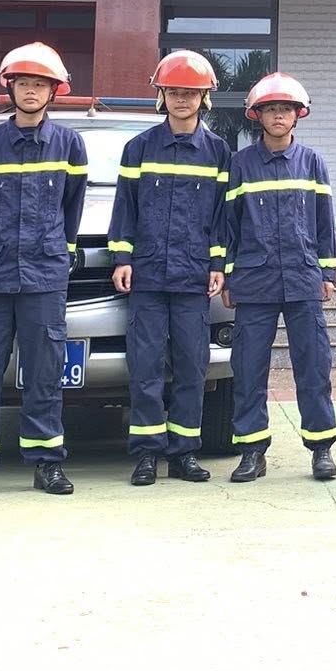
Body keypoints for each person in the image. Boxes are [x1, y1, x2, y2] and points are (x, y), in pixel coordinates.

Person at [0, 43, 87, 499]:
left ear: (53, 91)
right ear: (10, 88)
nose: (30, 91)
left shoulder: (69, 144)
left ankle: (46, 464)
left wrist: (57, 255)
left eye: (39, 84)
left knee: (45, 372)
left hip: (44, 277)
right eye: (23, 83)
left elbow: (73, 208)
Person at [108, 50, 230, 487]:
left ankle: (184, 454)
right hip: (146, 277)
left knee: (192, 366)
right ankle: (146, 454)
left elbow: (221, 217)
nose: (182, 99)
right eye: (174, 92)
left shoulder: (218, 152)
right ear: (161, 96)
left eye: (190, 93)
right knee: (145, 365)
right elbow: (125, 209)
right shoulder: (138, 148)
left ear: (204, 98)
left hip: (194, 277)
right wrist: (122, 258)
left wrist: (218, 264)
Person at [219, 72, 336, 483]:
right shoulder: (241, 165)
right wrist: (230, 276)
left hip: (304, 279)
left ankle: (321, 448)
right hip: (255, 282)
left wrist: (327, 272)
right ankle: (252, 451)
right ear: (258, 116)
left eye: (285, 109)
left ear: (296, 115)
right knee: (249, 368)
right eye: (270, 109)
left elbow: (325, 223)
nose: (278, 115)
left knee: (314, 365)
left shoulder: (312, 163)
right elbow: (229, 226)